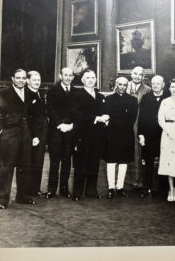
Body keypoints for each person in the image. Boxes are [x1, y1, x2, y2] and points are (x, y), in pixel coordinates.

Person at [0, 68, 35, 209]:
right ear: (13, 79)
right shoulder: (3, 93)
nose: (21, 80)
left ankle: (22, 196)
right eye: (18, 78)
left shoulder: (29, 92)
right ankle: (1, 200)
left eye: (23, 78)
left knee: (25, 166)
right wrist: (0, 131)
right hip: (9, 135)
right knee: (6, 168)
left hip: (26, 135)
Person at [72, 70, 109, 201]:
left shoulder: (99, 96)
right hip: (83, 134)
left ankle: (91, 190)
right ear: (82, 80)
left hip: (97, 135)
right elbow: (77, 115)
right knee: (81, 163)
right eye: (87, 78)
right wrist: (96, 118)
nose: (91, 80)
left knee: (94, 162)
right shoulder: (77, 95)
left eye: (93, 77)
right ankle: (77, 192)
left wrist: (106, 117)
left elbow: (104, 112)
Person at [45, 67, 77, 199]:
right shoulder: (52, 90)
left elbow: (77, 111)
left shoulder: (75, 91)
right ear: (60, 76)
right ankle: (51, 189)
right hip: (56, 131)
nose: (68, 77)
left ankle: (64, 189)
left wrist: (70, 125)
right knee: (54, 161)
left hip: (70, 130)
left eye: (71, 75)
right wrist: (60, 124)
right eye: (66, 75)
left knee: (66, 161)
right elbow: (50, 110)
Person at [104, 77, 138, 198]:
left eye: (125, 85)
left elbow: (131, 118)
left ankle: (120, 187)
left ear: (127, 86)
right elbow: (106, 115)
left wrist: (115, 120)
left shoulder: (133, 100)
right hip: (111, 134)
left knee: (123, 161)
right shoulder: (108, 99)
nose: (122, 87)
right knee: (111, 161)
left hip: (126, 134)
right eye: (120, 84)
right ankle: (111, 188)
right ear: (116, 85)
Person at [138, 75, 169, 197]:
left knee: (164, 161)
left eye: (158, 83)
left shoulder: (169, 96)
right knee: (148, 162)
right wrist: (141, 134)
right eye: (153, 83)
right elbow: (141, 118)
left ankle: (163, 188)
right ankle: (147, 187)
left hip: (164, 134)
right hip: (149, 135)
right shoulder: (146, 97)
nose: (155, 85)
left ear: (163, 84)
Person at [126, 66, 151, 190]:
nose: (137, 76)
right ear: (131, 74)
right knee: (123, 149)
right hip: (124, 122)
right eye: (135, 73)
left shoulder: (147, 89)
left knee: (137, 151)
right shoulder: (123, 85)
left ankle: (136, 180)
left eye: (140, 74)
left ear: (143, 77)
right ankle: (123, 180)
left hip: (138, 123)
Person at [26, 70, 48, 197]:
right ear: (28, 81)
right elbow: (28, 118)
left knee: (38, 162)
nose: (37, 82)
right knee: (30, 162)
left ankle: (35, 189)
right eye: (34, 80)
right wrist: (34, 135)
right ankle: (28, 190)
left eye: (38, 80)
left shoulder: (40, 93)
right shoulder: (26, 94)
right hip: (32, 135)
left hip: (42, 133)